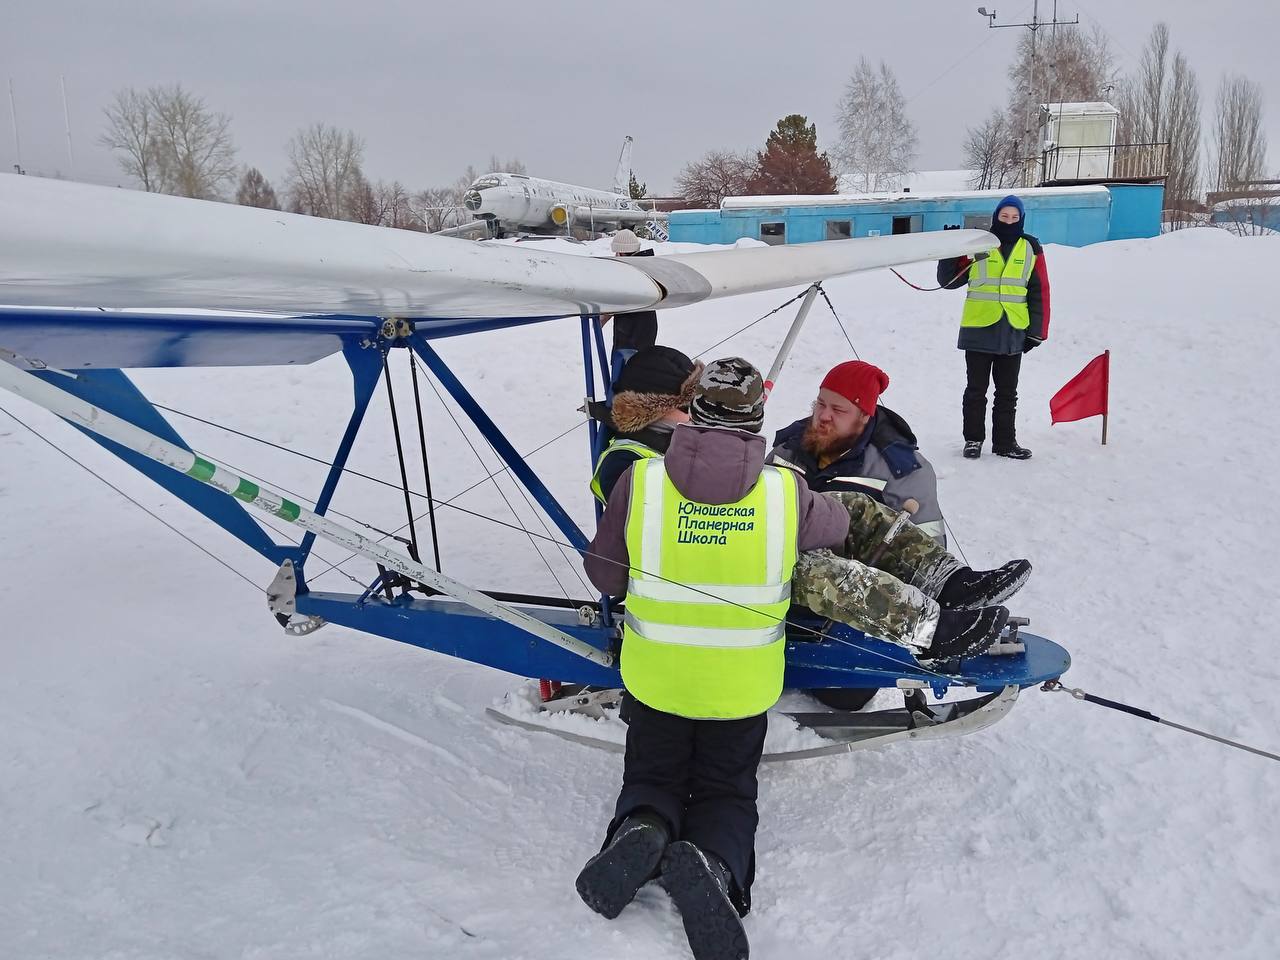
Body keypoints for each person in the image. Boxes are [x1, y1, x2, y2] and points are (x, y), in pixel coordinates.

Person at [576, 357, 850, 960]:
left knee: (652, 776)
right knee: (726, 791)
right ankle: (714, 863)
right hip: (742, 684)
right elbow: (836, 525)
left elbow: (604, 574)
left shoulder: (641, 480)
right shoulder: (787, 491)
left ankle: (641, 829)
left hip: (655, 676)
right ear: (756, 417)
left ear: (692, 408)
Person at [589, 349, 1030, 663]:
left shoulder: (686, 442)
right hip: (711, 573)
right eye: (688, 405)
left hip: (739, 544)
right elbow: (626, 558)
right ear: (665, 409)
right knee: (822, 571)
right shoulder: (632, 463)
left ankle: (949, 582)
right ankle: (930, 632)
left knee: (853, 506)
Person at [769, 359, 947, 544]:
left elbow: (928, 553)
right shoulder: (789, 449)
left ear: (864, 416)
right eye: (820, 404)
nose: (823, 416)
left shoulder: (902, 470)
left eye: (838, 410)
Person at [938, 195, 1050, 460]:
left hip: (1013, 329)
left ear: (1021, 218)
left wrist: (1036, 331)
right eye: (1004, 216)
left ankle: (1005, 443)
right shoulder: (979, 244)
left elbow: (1040, 290)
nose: (1009, 221)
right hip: (979, 327)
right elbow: (949, 281)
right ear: (996, 217)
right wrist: (949, 251)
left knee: (1007, 392)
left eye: (1014, 217)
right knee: (976, 390)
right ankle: (973, 440)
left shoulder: (1030, 247)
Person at [589, 345, 702, 505]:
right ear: (655, 411)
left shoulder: (678, 439)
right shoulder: (623, 463)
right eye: (686, 406)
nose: (694, 413)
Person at [600, 229, 658, 382]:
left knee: (625, 376)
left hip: (629, 337)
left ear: (622, 253)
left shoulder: (629, 274)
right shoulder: (646, 268)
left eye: (617, 252)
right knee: (641, 371)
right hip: (644, 333)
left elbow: (617, 301)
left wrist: (601, 319)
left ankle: (621, 402)